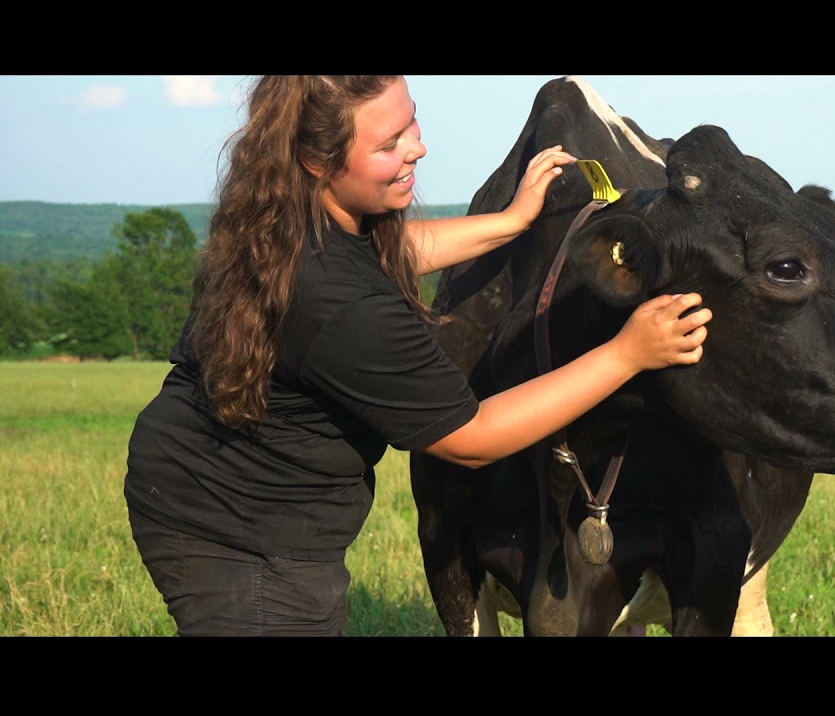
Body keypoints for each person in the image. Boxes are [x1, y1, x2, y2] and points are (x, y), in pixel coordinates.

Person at [123, 75, 712, 636]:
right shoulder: (340, 305)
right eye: (388, 144)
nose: (419, 149)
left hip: (198, 484)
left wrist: (507, 223)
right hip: (241, 530)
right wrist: (626, 354)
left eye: (412, 123)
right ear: (316, 160)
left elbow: (387, 255)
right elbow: (472, 437)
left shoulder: (286, 218)